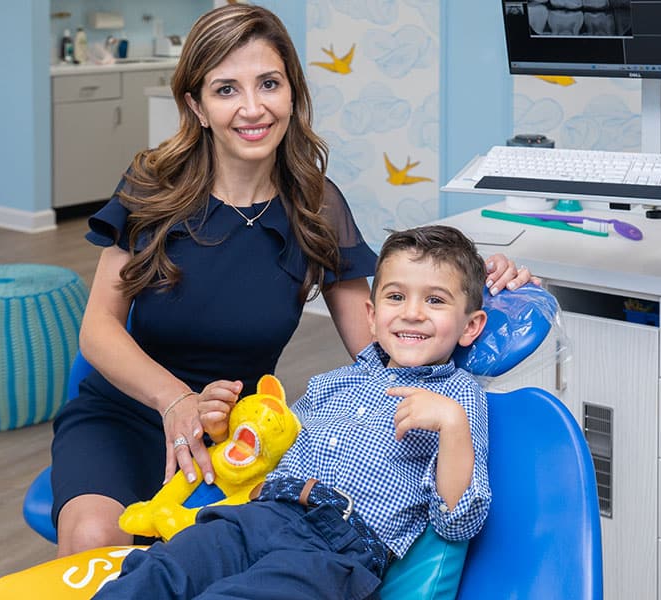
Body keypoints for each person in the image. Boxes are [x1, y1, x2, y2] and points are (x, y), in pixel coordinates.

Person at [51, 3, 532, 557]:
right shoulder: (152, 186)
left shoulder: (316, 207)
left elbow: (385, 345)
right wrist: (175, 400)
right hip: (129, 412)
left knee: (213, 566)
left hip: (241, 435)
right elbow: (98, 330)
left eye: (269, 84)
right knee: (92, 539)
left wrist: (486, 285)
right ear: (197, 106)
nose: (253, 108)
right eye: (226, 89)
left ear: (292, 93)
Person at [93, 225, 493, 599]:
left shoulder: (458, 398)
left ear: (470, 326)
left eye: (435, 300)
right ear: (372, 317)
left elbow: (457, 522)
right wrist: (222, 428)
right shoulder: (334, 382)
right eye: (395, 296)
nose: (412, 312)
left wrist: (452, 425)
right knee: (159, 569)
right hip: (258, 514)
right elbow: (270, 448)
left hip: (336, 546)